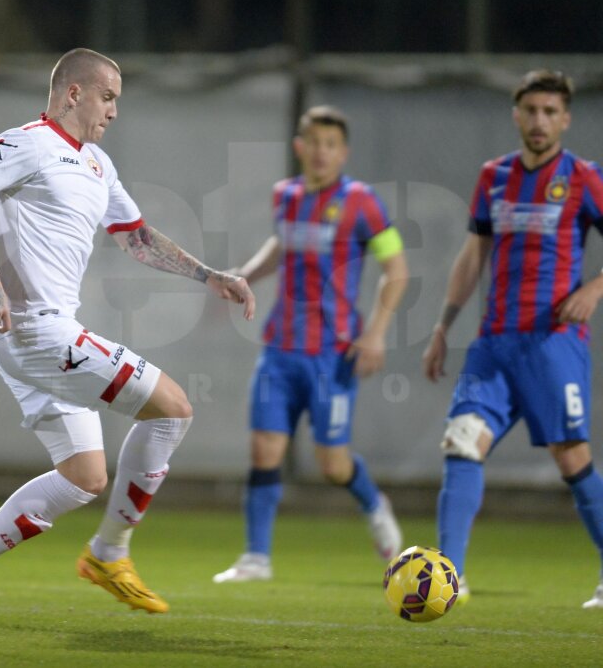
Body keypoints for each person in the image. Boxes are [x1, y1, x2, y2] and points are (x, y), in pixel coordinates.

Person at [0, 48, 255, 626]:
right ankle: (108, 554)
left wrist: (210, 276)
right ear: (73, 93)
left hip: (41, 333)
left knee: (85, 477)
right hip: (35, 331)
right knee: (172, 409)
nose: (115, 111)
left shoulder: (98, 164)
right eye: (108, 96)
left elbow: (137, 237)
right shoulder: (27, 141)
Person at [422, 70, 603, 608]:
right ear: (517, 115)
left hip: (554, 344)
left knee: (572, 459)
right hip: (494, 344)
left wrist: (595, 286)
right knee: (461, 442)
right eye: (531, 111)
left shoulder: (584, 178)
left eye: (551, 112)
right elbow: (474, 254)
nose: (540, 121)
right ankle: (448, 577)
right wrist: (443, 326)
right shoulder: (494, 176)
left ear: (565, 118)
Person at [213, 106, 408, 583]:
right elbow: (283, 245)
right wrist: (243, 275)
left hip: (333, 353)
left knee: (333, 464)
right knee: (264, 451)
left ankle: (373, 503)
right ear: (299, 146)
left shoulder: (362, 202)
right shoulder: (287, 195)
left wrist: (377, 332)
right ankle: (256, 558)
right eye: (313, 142)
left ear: (344, 152)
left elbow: (396, 270)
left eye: (331, 144)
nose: (322, 152)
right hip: (280, 349)